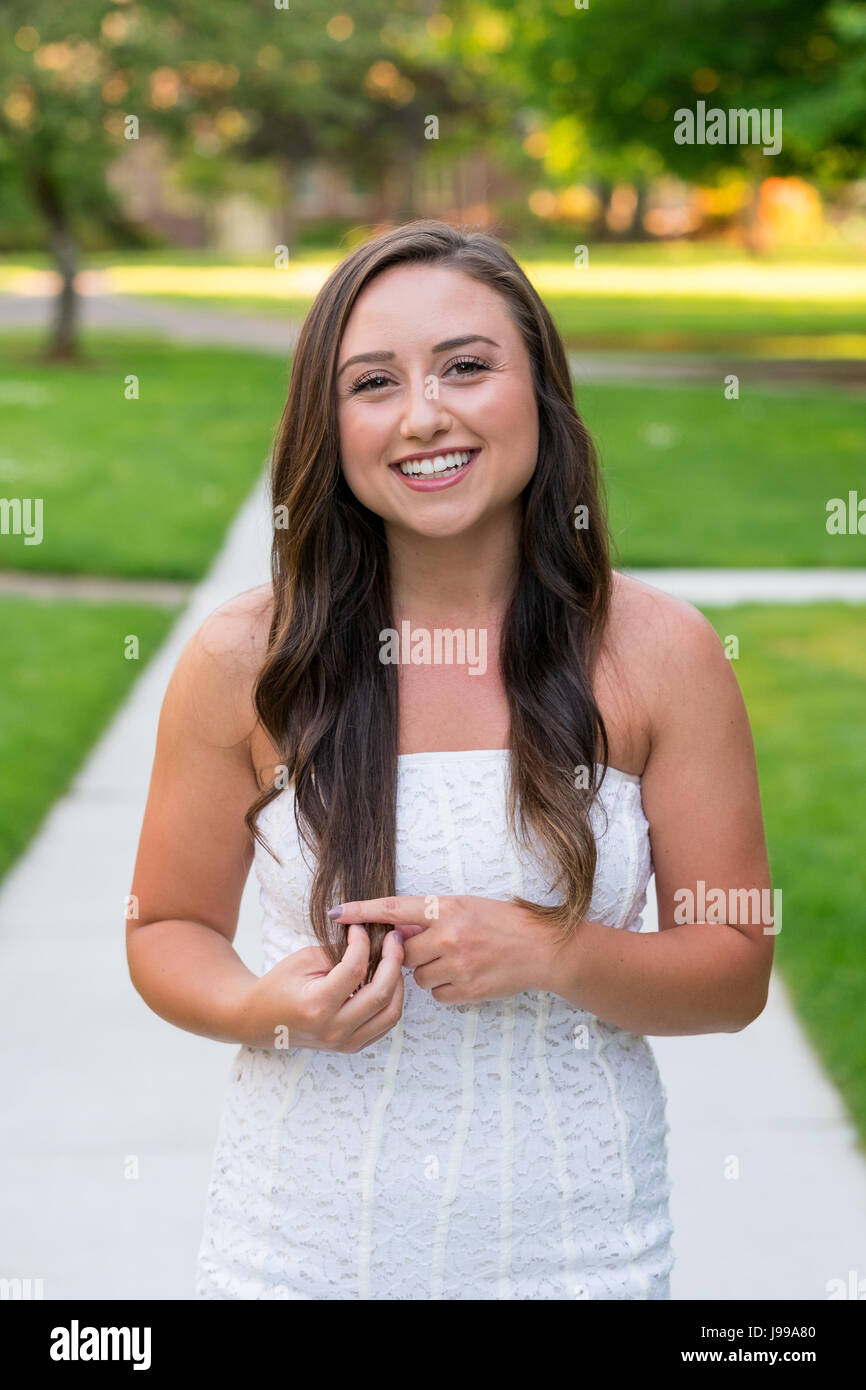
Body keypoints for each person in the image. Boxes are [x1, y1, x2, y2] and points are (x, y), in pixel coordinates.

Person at [126, 220, 774, 1300]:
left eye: (466, 367)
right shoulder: (250, 659)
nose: (425, 414)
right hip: (298, 1248)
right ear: (327, 427)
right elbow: (164, 927)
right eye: (372, 382)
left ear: (539, 389)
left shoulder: (661, 654)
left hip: (578, 1251)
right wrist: (261, 1006)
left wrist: (552, 952)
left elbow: (734, 967)